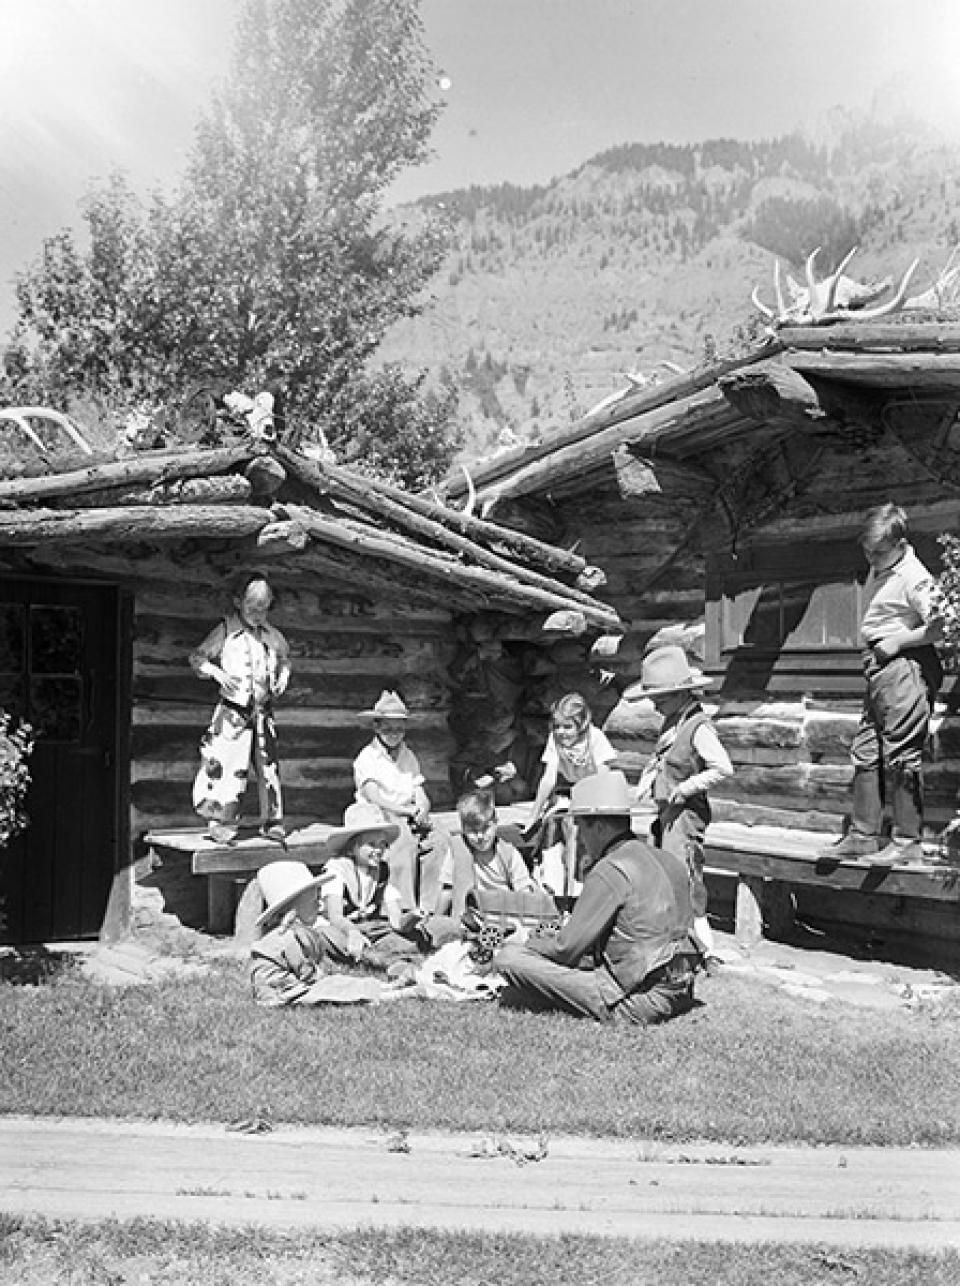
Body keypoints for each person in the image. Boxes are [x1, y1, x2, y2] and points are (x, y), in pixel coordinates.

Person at [496, 770, 702, 1024]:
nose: (580, 839)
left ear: (600, 827)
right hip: (680, 989)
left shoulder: (610, 868)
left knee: (508, 958)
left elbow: (566, 950)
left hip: (634, 1000)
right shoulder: (668, 860)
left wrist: (528, 941)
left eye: (582, 828)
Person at [821, 503, 943, 866]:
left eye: (878, 551)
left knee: (902, 753)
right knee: (866, 750)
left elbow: (945, 624)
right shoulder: (884, 567)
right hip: (880, 668)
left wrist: (898, 642)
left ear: (900, 543)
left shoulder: (914, 576)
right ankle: (863, 835)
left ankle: (907, 842)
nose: (871, 557)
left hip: (904, 665)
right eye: (866, 550)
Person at [626, 645, 733, 959]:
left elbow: (723, 768)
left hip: (686, 815)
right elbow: (659, 762)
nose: (656, 707)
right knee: (666, 876)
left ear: (680, 694)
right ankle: (672, 945)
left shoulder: (697, 727)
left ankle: (702, 951)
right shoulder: (673, 722)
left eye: (660, 700)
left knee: (684, 878)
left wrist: (688, 787)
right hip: (667, 814)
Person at [191, 574, 291, 845]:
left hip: (262, 711)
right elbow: (197, 658)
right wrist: (214, 672)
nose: (258, 613)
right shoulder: (225, 631)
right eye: (252, 607)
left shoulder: (273, 636)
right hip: (233, 712)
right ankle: (222, 822)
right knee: (225, 766)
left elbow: (285, 660)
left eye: (264, 607)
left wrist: (282, 677)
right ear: (238, 602)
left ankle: (272, 822)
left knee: (267, 767)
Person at [352, 689, 448, 913]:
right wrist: (405, 812)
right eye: (387, 729)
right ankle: (402, 909)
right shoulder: (367, 757)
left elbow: (418, 789)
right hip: (379, 814)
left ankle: (430, 907)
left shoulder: (408, 755)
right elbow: (373, 796)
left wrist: (422, 808)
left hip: (408, 812)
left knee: (440, 840)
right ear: (376, 727)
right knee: (402, 842)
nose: (393, 734)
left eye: (399, 729)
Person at [527, 691, 618, 897]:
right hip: (568, 792)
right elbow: (549, 777)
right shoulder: (555, 740)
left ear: (581, 725)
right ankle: (553, 885)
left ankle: (579, 889)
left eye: (568, 727)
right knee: (553, 824)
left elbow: (603, 776)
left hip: (594, 795)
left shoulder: (595, 738)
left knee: (580, 836)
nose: (561, 732)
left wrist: (590, 805)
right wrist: (534, 813)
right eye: (557, 726)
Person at [319, 802, 422, 968]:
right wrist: (352, 932)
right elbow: (335, 916)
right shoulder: (337, 871)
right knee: (327, 937)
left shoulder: (381, 873)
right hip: (342, 928)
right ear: (352, 849)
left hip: (369, 928)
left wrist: (409, 919)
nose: (378, 850)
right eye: (371, 845)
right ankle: (374, 957)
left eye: (382, 844)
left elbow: (395, 917)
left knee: (399, 938)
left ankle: (378, 957)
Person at [440, 787, 539, 922]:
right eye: (473, 831)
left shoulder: (508, 853)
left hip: (505, 916)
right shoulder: (457, 850)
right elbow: (447, 890)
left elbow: (524, 892)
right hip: (468, 918)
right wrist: (436, 920)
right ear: (463, 828)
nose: (480, 836)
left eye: (486, 828)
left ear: (496, 823)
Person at [249, 859, 332, 1006]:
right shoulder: (290, 937)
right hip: (281, 990)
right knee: (332, 990)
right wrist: (320, 978)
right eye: (314, 901)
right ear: (293, 911)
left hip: (279, 989)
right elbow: (304, 970)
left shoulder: (284, 933)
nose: (319, 906)